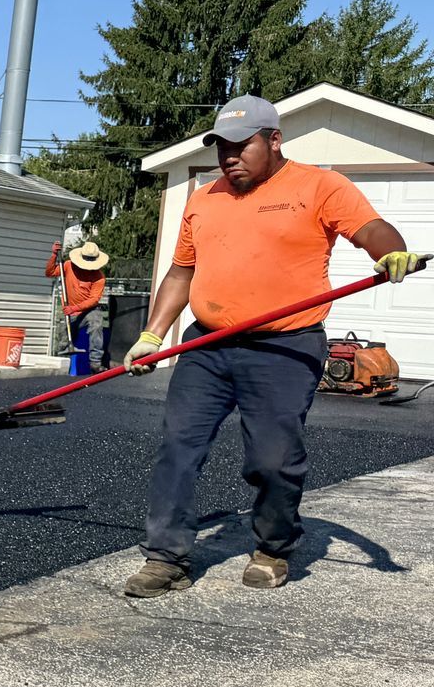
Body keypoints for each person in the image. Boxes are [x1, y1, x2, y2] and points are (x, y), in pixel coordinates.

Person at [121, 94, 426, 597]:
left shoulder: (319, 186)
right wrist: (153, 334)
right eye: (221, 147)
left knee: (272, 459)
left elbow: (370, 228)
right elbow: (182, 270)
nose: (229, 157)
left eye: (242, 146)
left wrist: (391, 253)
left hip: (286, 347)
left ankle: (272, 547)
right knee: (178, 447)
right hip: (209, 344)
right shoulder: (204, 198)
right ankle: (166, 556)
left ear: (274, 139)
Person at [47, 237, 109, 370]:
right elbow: (50, 272)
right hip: (70, 311)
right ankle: (60, 364)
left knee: (96, 322)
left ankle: (95, 362)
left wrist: (75, 308)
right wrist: (53, 255)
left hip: (88, 311)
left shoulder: (99, 277)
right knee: (64, 337)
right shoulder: (69, 266)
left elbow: (94, 300)